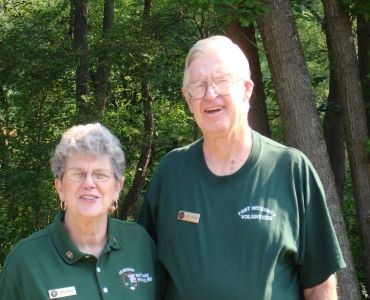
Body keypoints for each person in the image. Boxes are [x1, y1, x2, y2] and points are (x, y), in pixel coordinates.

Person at [139, 35, 346, 299]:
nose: (210, 94)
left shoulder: (291, 170)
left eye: (221, 81)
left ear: (247, 89)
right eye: (198, 86)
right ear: (187, 98)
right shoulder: (171, 172)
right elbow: (143, 275)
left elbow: (320, 285)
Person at [0, 123, 160, 299]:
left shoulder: (141, 243)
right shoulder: (25, 262)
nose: (89, 184)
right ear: (59, 186)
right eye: (78, 174)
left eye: (100, 174)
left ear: (117, 187)